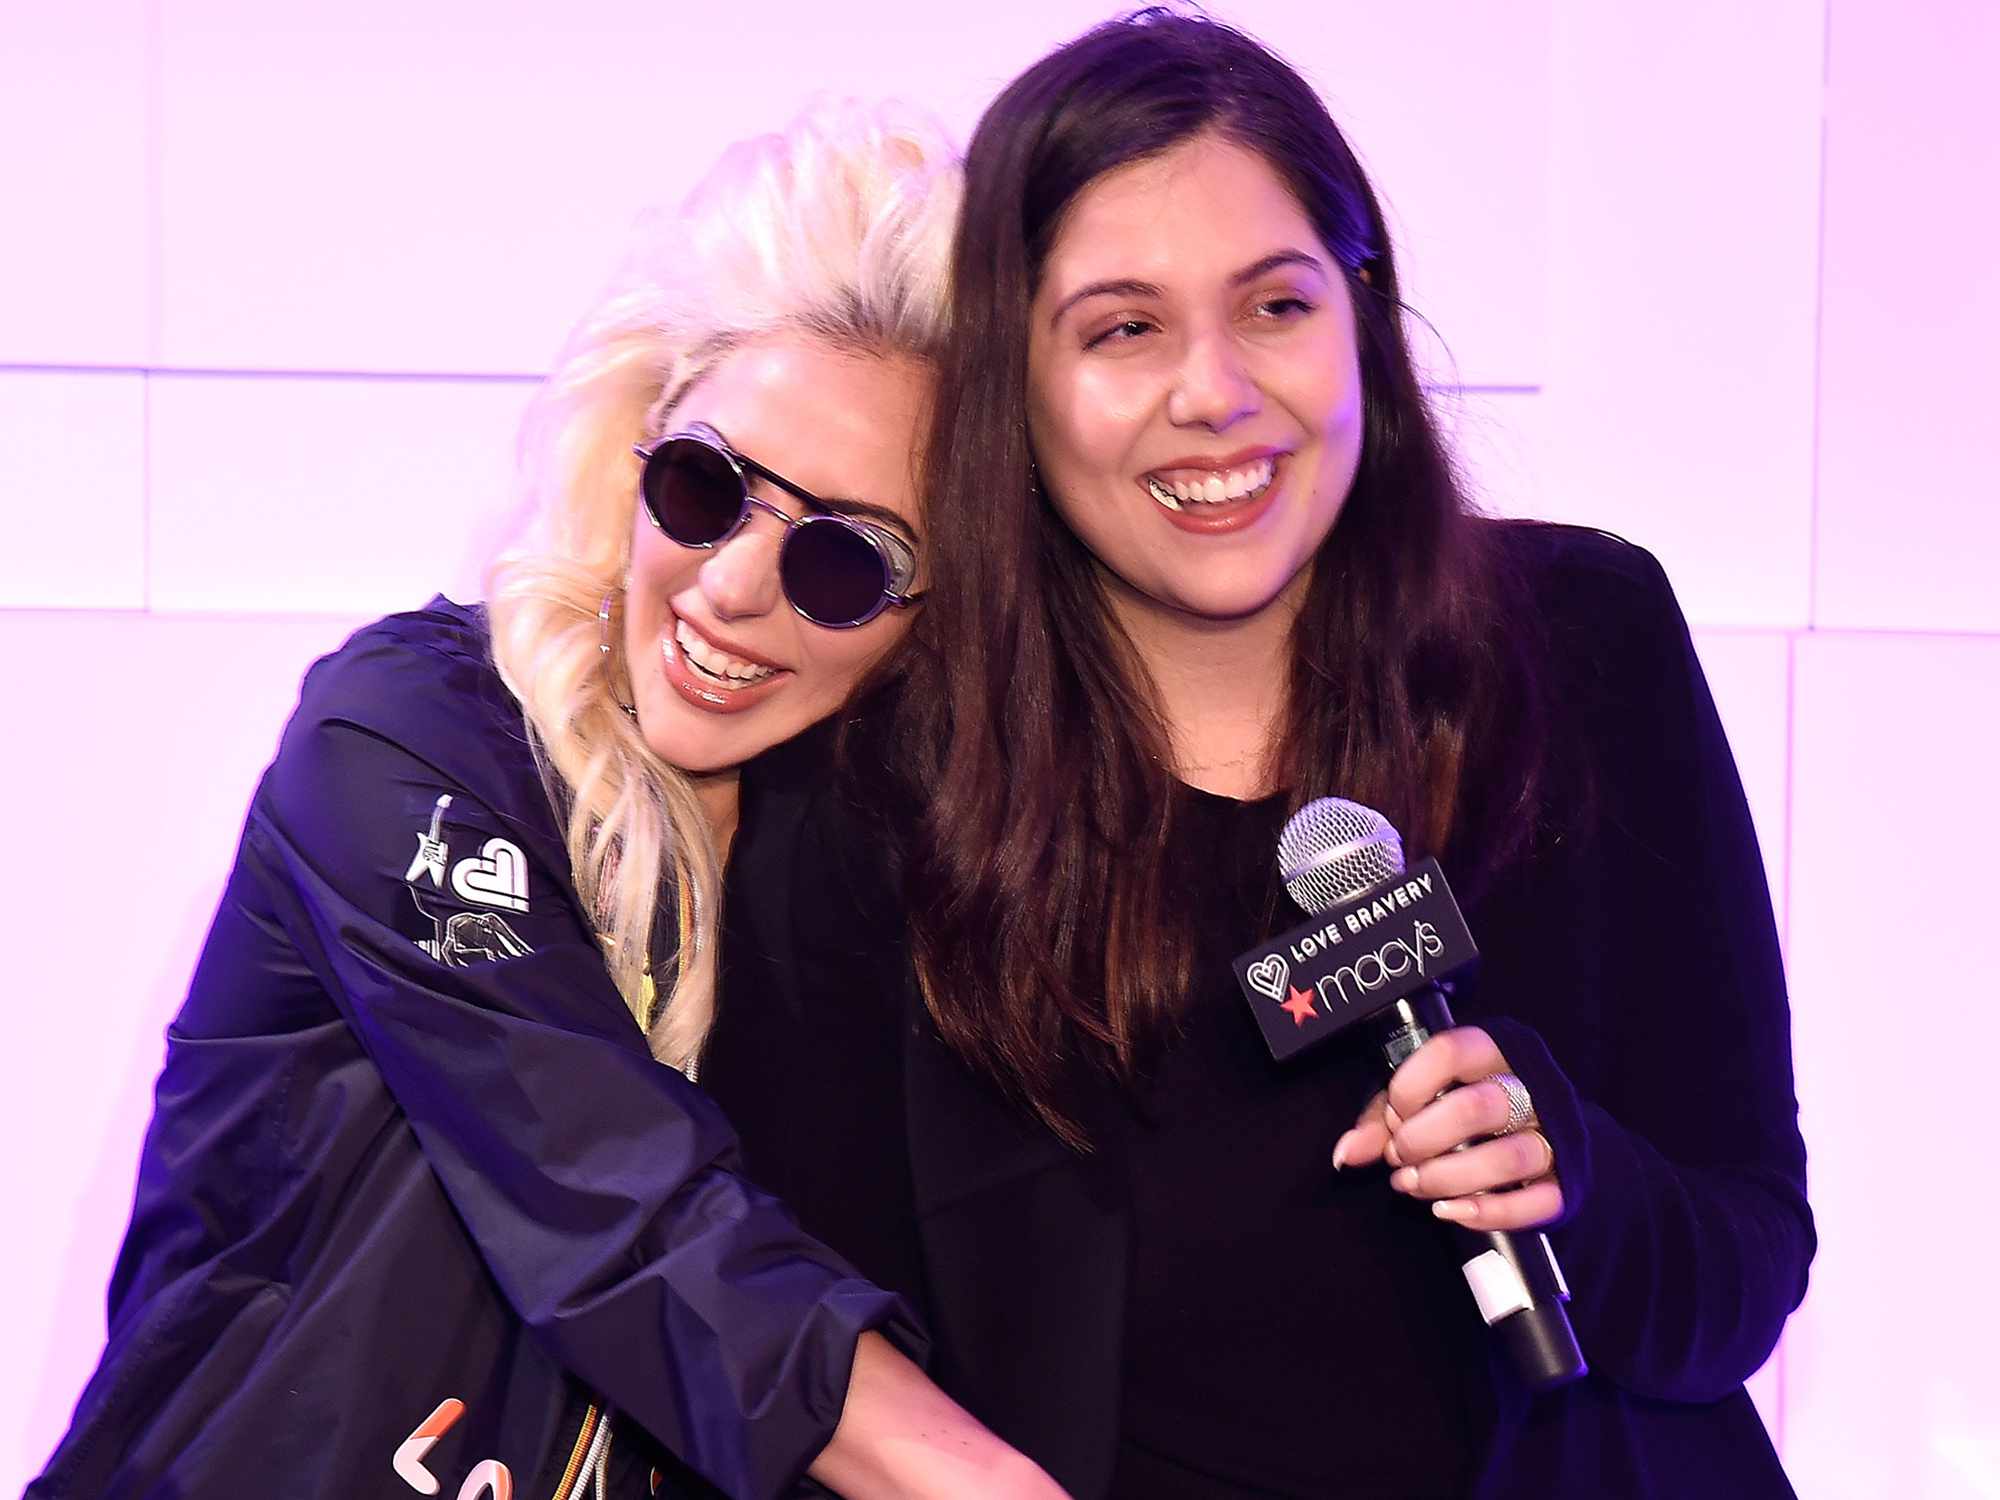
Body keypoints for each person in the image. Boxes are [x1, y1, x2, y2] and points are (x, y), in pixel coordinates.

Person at [700, 14, 1815, 1499]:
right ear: (1012, 389)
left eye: (1275, 308)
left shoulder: (1584, 648)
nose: (1213, 391)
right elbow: (819, 1361)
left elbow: (1743, 1270)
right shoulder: (874, 797)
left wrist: (1575, 1176)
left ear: (1363, 316)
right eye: (1121, 329)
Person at [28, 105, 1060, 1500]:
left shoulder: (863, 877)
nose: (732, 587)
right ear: (636, 444)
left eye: (843, 562)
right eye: (705, 488)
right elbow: (618, 1203)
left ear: (934, 618)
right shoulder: (407, 736)